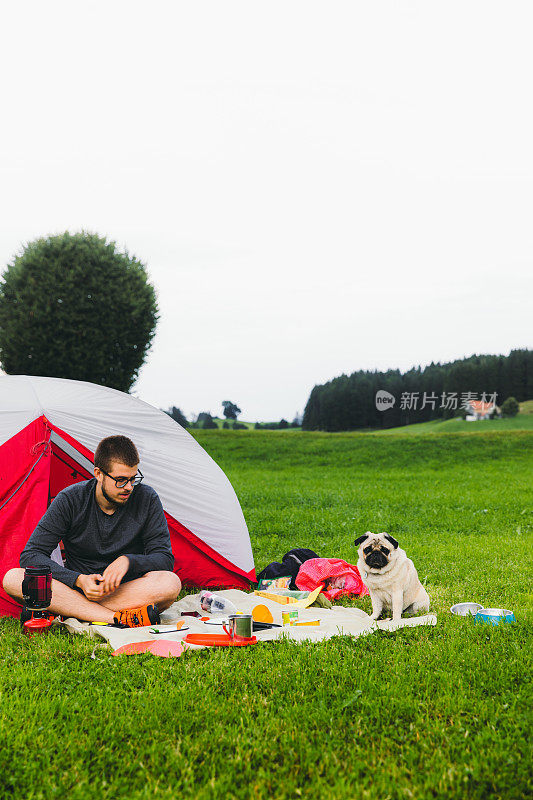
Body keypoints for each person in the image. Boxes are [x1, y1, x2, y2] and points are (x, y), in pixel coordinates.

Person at [2, 435, 181, 628]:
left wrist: (128, 561)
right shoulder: (70, 499)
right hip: (76, 589)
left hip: (125, 590)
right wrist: (78, 580)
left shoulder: (147, 498)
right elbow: (31, 555)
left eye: (133, 479)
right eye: (120, 480)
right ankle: (116, 618)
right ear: (98, 473)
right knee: (13, 578)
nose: (129, 487)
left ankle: (68, 611)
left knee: (170, 583)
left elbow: (164, 558)